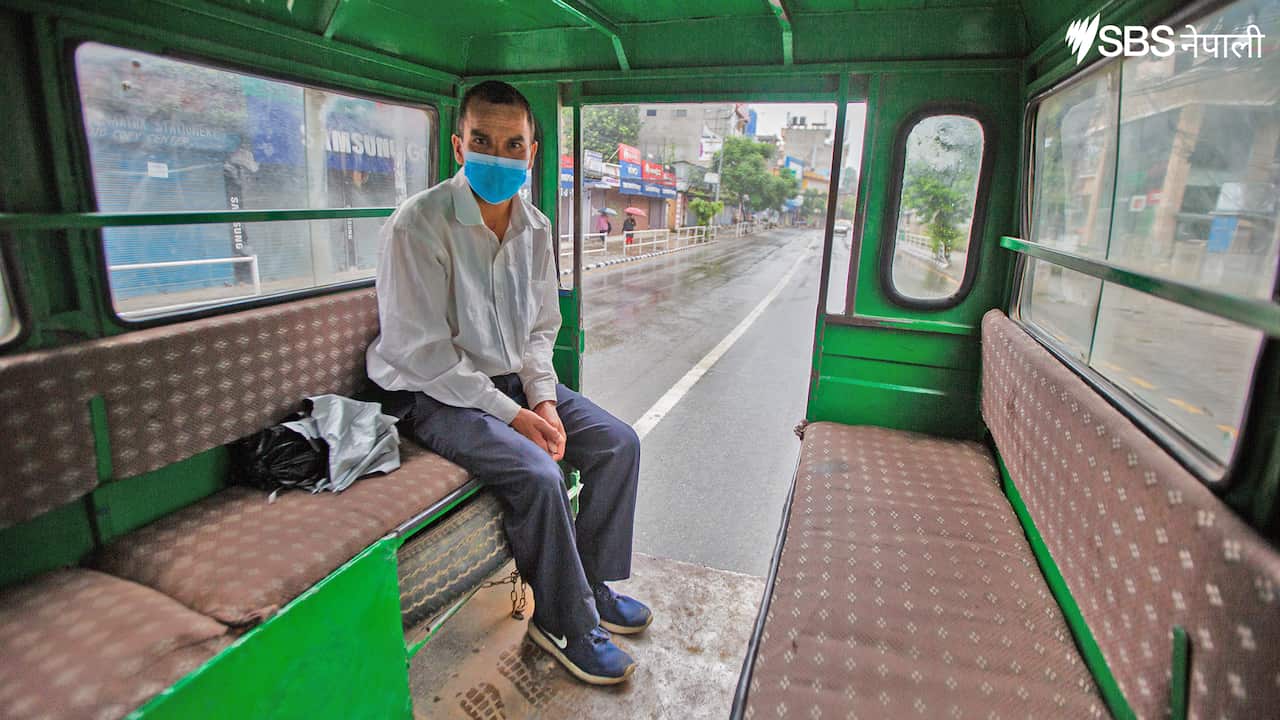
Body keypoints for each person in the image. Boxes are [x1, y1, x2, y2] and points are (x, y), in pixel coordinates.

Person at [366, 81, 650, 685]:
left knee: (618, 444)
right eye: (482, 141)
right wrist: (517, 417)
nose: (498, 155)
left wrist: (542, 399)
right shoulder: (418, 226)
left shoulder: (536, 228)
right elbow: (425, 358)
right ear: (458, 146)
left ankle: (591, 586)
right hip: (432, 394)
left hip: (509, 383)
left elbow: (538, 331)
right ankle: (563, 622)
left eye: (512, 143)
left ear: (533, 151)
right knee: (539, 473)